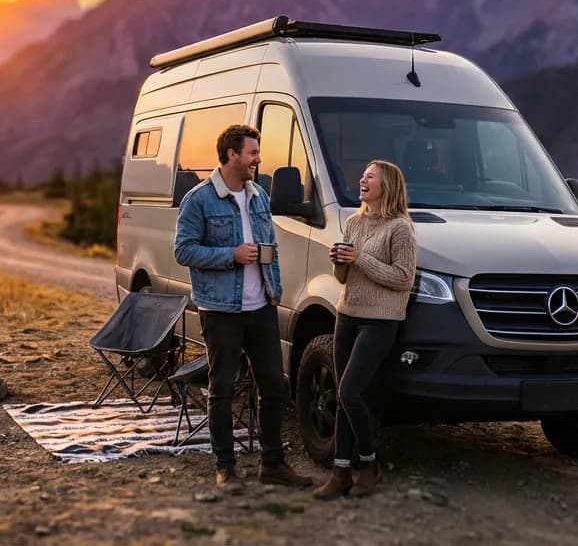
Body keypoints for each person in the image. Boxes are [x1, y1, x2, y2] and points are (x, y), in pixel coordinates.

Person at [174, 124, 314, 492]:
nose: (258, 159)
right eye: (252, 152)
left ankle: (273, 465)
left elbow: (271, 248)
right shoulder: (199, 199)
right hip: (221, 309)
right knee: (221, 388)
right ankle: (226, 468)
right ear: (231, 154)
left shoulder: (258, 196)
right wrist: (230, 255)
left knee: (274, 387)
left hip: (261, 307)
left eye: (257, 152)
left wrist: (275, 290)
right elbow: (183, 250)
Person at [313, 159, 418, 500]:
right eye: (362, 175)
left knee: (349, 393)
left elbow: (403, 278)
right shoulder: (354, 222)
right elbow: (343, 278)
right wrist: (340, 262)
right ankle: (341, 473)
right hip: (347, 314)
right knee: (343, 395)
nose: (362, 179)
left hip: (381, 320)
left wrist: (360, 258)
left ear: (386, 185)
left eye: (369, 176)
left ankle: (370, 464)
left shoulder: (400, 228)